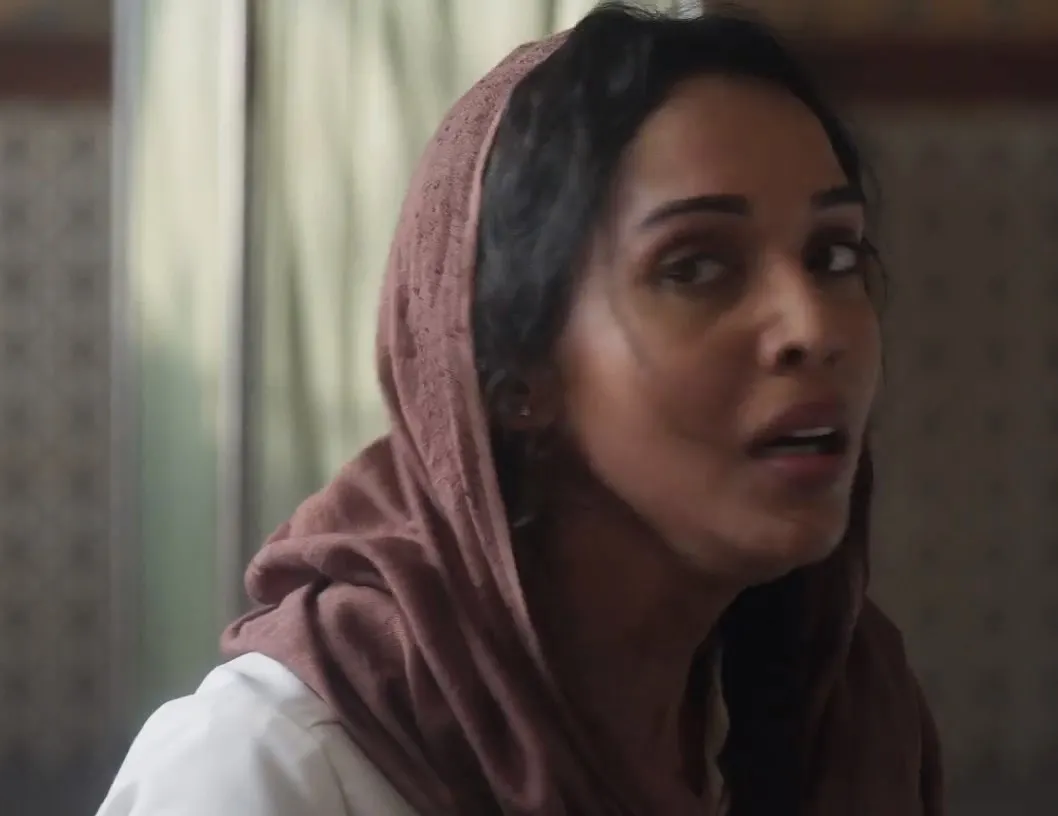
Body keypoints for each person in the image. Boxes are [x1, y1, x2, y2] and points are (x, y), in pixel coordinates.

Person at [98, 5, 943, 815]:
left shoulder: (837, 728)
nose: (812, 328)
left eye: (834, 255)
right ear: (515, 371)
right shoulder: (273, 770)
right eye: (695, 267)